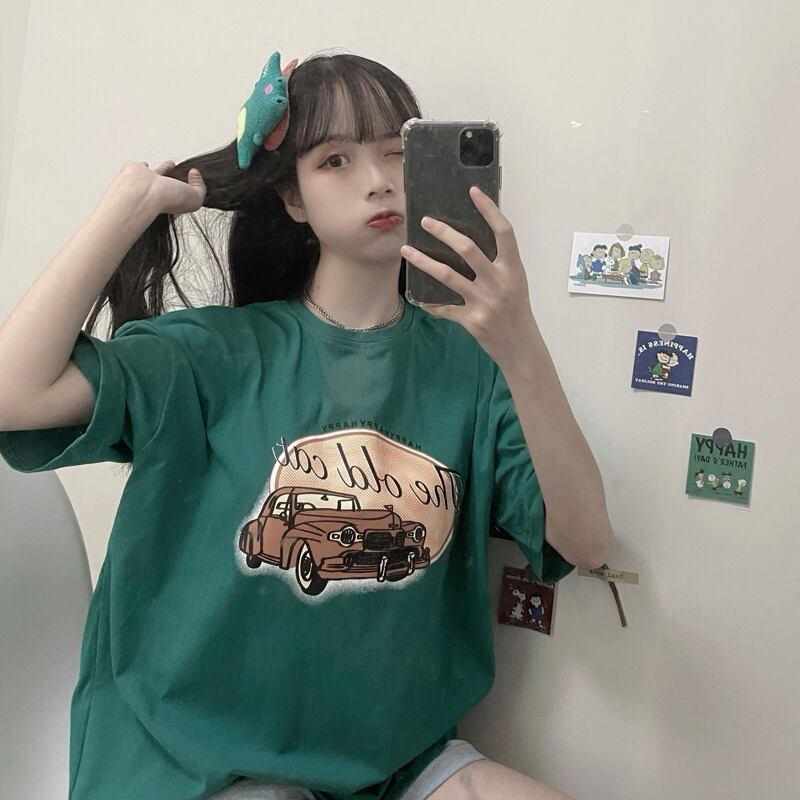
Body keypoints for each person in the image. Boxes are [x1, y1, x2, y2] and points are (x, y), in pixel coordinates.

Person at [0, 50, 612, 800]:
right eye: (335, 160)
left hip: (395, 764)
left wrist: (520, 343)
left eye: (397, 152)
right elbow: (13, 396)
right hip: (200, 764)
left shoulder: (472, 370)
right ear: (292, 198)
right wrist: (128, 205)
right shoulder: (212, 355)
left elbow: (586, 542)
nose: (378, 180)